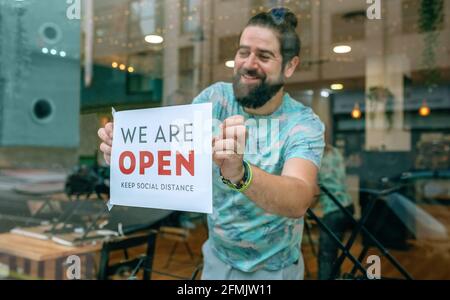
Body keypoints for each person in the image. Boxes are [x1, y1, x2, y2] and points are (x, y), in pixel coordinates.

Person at [98, 7, 325, 280]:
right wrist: (126, 156)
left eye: (264, 56)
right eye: (243, 52)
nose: (249, 63)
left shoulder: (303, 123)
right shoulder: (216, 99)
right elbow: (173, 160)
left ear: (290, 66)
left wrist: (241, 174)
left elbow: (299, 197)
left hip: (275, 270)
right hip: (216, 261)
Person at [316, 136, 354, 280]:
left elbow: (316, 189)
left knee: (326, 254)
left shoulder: (317, 157)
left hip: (333, 209)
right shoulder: (336, 152)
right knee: (334, 252)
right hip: (347, 205)